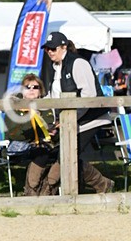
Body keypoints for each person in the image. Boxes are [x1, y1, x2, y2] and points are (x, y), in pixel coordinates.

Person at [40, 31, 113, 194]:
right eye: (47, 49)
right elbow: (53, 97)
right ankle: (90, 187)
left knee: (67, 154)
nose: (50, 52)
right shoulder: (55, 68)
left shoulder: (78, 63)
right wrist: (34, 104)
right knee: (66, 155)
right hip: (71, 121)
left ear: (64, 47)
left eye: (53, 48)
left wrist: (70, 119)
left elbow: (89, 95)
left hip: (91, 118)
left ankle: (100, 184)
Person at [3, 73, 59, 196]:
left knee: (64, 152)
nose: (32, 90)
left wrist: (55, 131)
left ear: (41, 91)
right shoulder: (15, 107)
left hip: (45, 145)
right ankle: (32, 190)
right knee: (42, 153)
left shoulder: (47, 108)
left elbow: (51, 131)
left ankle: (49, 187)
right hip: (20, 146)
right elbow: (13, 134)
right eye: (27, 87)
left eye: (35, 87)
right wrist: (32, 120)